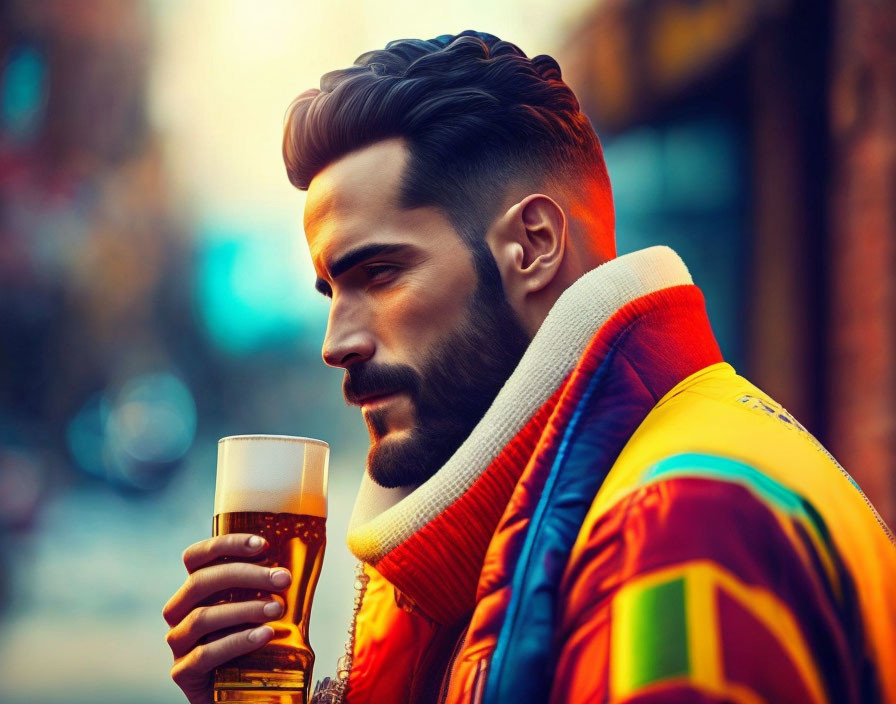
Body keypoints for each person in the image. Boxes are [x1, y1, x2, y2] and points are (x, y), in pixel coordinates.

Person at [163, 30, 896, 704]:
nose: (336, 341)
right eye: (331, 292)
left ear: (534, 245)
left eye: (380, 274)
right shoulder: (552, 512)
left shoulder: (678, 527)